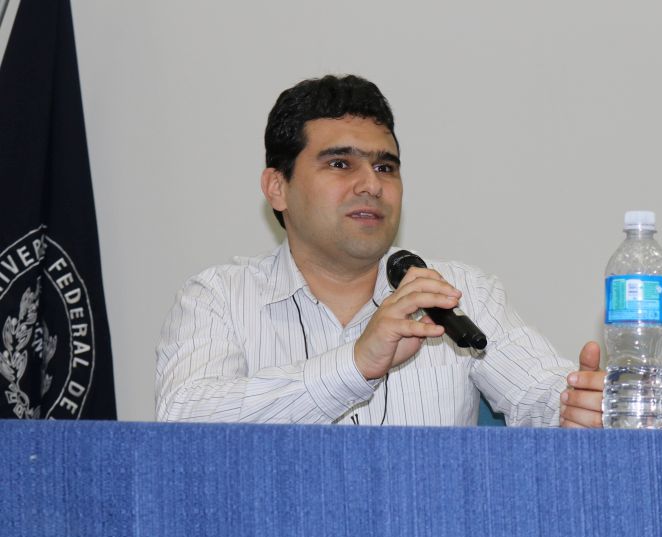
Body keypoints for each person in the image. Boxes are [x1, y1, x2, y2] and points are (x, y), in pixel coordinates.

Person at [155, 75, 604, 427]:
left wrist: (574, 408)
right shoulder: (219, 299)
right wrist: (354, 366)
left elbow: (541, 394)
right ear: (277, 187)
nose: (371, 184)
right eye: (340, 164)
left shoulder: (458, 294)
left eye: (385, 167)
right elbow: (184, 422)